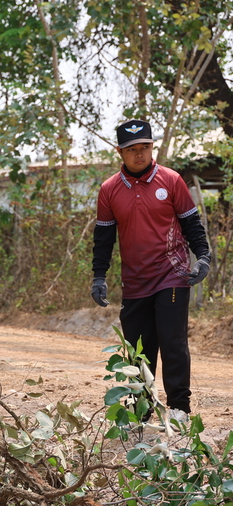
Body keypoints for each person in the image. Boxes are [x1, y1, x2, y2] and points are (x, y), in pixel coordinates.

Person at [91, 119, 211, 427]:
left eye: (144, 147)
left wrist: (204, 257)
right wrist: (99, 276)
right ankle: (140, 410)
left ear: (152, 148)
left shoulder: (171, 181)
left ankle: (179, 409)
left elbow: (192, 225)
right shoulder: (109, 190)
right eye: (132, 149)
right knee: (137, 350)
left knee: (172, 342)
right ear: (120, 152)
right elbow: (103, 239)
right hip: (134, 283)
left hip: (172, 275)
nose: (139, 154)